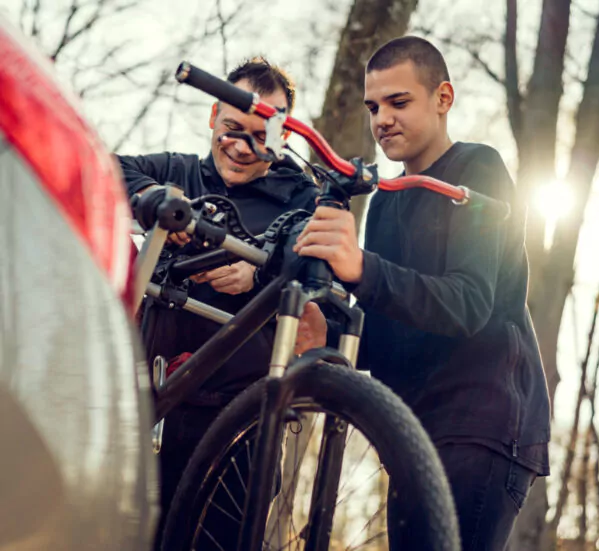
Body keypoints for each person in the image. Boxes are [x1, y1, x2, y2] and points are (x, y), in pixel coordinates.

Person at [294, 36, 551, 550]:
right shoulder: (387, 203)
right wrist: (331, 332)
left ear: (443, 98)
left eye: (398, 102)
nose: (382, 118)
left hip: (483, 421)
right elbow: (390, 331)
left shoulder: (477, 168)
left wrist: (362, 268)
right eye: (373, 106)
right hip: (414, 431)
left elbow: (468, 303)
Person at [117, 56, 324, 541]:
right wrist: (153, 198)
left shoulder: (303, 199)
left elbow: (319, 261)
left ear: (283, 139)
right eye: (231, 128)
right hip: (151, 404)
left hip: (239, 421)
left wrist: (261, 268)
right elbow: (108, 167)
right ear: (213, 117)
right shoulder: (177, 171)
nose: (241, 147)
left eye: (259, 136)